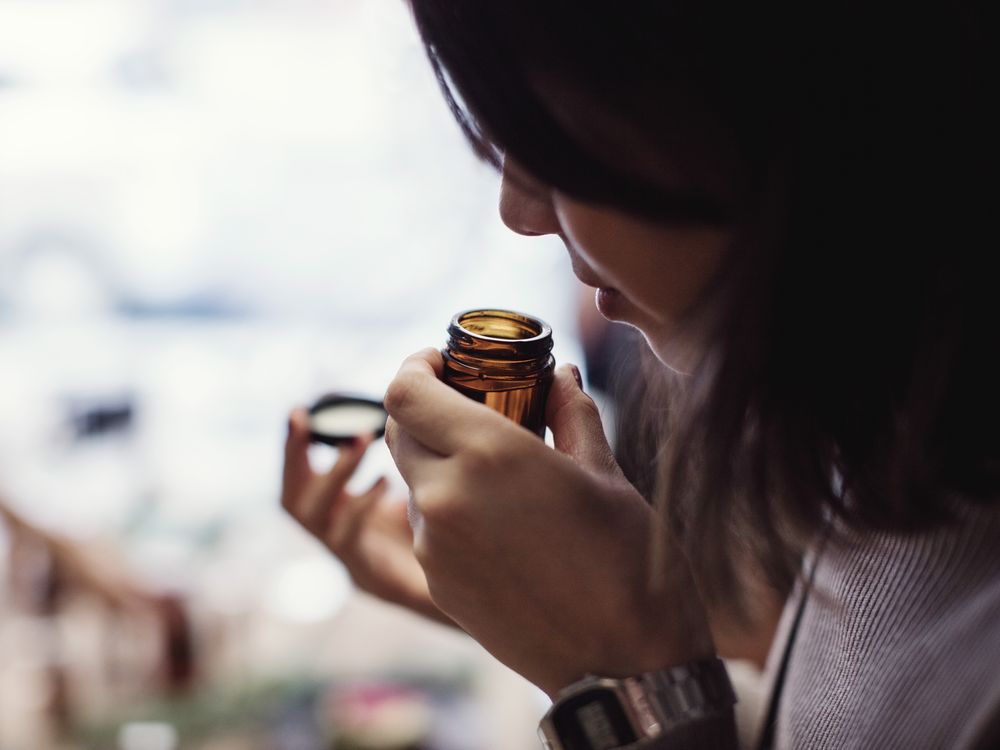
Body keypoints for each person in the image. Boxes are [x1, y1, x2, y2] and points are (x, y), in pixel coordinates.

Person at [282, 2, 998, 747]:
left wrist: (626, 674)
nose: (519, 212)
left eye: (548, 136)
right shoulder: (902, 444)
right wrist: (557, 615)